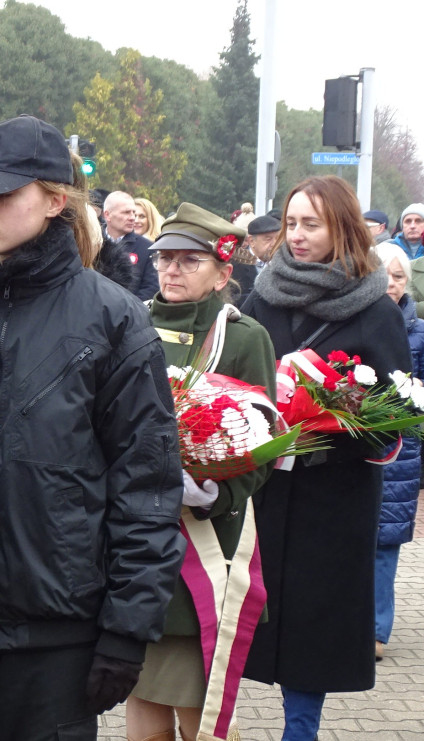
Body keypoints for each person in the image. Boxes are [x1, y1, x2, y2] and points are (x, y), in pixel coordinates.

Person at [0, 114, 186, 741]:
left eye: (4, 193)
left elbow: (147, 485)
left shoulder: (112, 320)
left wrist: (128, 627)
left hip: (60, 634)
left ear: (54, 201)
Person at [242, 176, 411, 741]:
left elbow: (396, 411)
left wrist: (338, 409)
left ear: (342, 226)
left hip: (333, 498)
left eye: (310, 224)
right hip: (268, 490)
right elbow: (235, 376)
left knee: (314, 630)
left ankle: (301, 730)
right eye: (291, 223)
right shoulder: (262, 294)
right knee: (250, 618)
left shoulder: (375, 308)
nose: (296, 235)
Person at [127, 204, 275, 741]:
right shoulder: (130, 319)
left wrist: (213, 491)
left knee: (200, 701)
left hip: (204, 541)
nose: (172, 270)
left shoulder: (242, 337)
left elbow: (263, 444)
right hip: (133, 538)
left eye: (190, 260)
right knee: (139, 690)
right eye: (165, 258)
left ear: (223, 270)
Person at [371, 243, 424, 662]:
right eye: (384, 274)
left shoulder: (419, 331)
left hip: (401, 452)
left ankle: (376, 632)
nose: (391, 283)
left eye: (399, 276)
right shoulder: (357, 321)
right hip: (360, 446)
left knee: (386, 545)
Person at [103, 190, 159, 299]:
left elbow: (151, 288)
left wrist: (127, 309)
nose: (133, 217)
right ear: (107, 215)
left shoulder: (147, 248)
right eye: (126, 212)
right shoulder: (92, 243)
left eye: (133, 212)